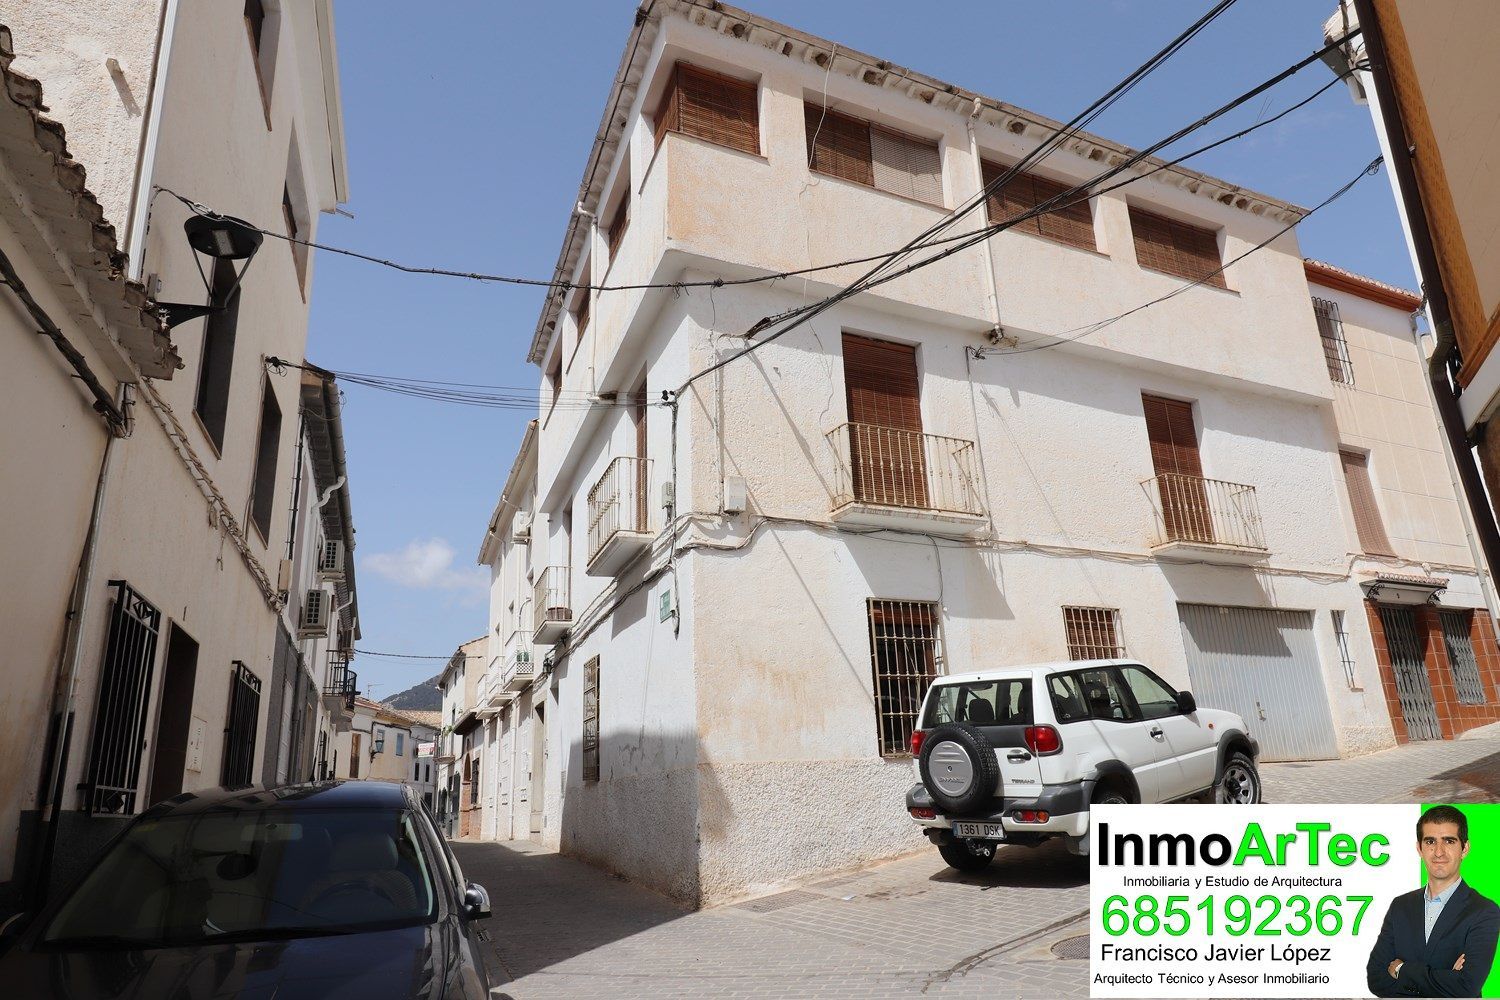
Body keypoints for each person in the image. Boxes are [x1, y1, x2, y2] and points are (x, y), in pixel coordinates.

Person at [1367, 805, 1500, 997]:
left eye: (1449, 841)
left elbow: (1466, 986)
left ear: (1465, 849)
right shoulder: (1400, 906)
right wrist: (1446, 980)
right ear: (1419, 849)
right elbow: (1376, 979)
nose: (1439, 852)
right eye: (1430, 841)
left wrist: (1401, 970)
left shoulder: (1484, 911)